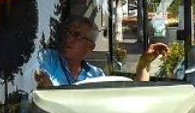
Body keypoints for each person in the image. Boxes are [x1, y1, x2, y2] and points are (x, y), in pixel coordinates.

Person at [35, 16, 168, 87]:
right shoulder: (45, 58)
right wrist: (47, 89)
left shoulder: (96, 76)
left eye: (77, 35)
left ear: (90, 47)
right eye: (67, 33)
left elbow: (134, 99)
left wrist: (144, 63)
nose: (68, 38)